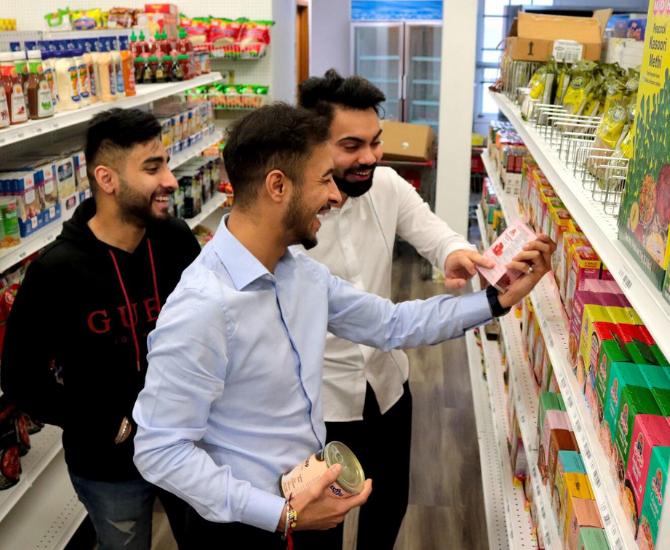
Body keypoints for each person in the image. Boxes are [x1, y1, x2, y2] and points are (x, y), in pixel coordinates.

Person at [131, 102, 555, 549]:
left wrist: (495, 300)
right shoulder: (203, 306)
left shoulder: (301, 275)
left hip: (305, 497)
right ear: (278, 186)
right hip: (242, 528)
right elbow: (159, 450)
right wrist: (280, 515)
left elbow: (391, 324)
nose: (335, 196)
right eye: (324, 179)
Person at [296, 69, 492, 549]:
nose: (370, 157)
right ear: (312, 145)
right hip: (320, 402)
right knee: (321, 529)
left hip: (387, 385)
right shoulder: (290, 216)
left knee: (388, 508)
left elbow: (434, 232)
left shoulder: (385, 185)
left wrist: (455, 253)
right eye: (351, 146)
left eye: (375, 142)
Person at [1, 108, 201, 550]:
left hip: (188, 446)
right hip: (109, 468)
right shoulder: (56, 271)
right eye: (153, 168)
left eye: (167, 164)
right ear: (107, 179)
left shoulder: (176, 241)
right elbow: (20, 378)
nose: (170, 180)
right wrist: (104, 424)